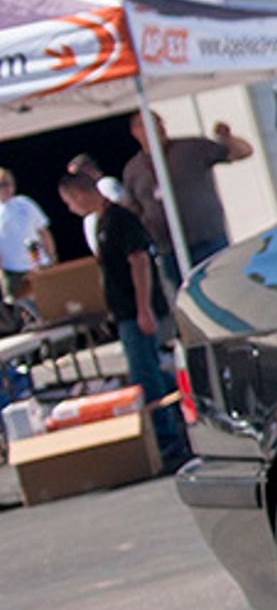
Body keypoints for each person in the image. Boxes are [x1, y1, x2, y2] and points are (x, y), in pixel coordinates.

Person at [58, 171, 187, 467]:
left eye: (68, 201)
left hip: (135, 309)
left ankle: (167, 439)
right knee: (151, 370)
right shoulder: (101, 222)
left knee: (145, 376)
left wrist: (144, 309)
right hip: (124, 310)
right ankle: (183, 407)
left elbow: (139, 262)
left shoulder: (119, 220)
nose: (69, 209)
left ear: (78, 194)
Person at [123, 111, 254, 272]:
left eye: (159, 122)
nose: (157, 127)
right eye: (148, 124)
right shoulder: (133, 170)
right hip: (168, 250)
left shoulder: (192, 148)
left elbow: (244, 152)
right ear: (135, 132)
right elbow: (134, 209)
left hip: (208, 241)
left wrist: (228, 138)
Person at [0, 169, 53, 310]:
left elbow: (43, 231)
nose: (5, 188)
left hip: (38, 266)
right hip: (12, 272)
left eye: (7, 184)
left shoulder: (25, 203)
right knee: (20, 307)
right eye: (1, 185)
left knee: (50, 304)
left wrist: (52, 257)